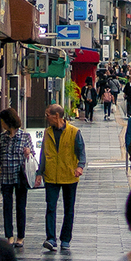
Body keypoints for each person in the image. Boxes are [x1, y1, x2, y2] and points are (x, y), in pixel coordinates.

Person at [40, 103, 85, 252]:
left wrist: (80, 166)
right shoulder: (47, 133)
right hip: (51, 175)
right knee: (50, 207)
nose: (46, 118)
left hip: (69, 175)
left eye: (48, 115)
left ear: (56, 116)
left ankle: (65, 239)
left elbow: (81, 152)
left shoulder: (74, 132)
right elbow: (43, 154)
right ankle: (51, 239)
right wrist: (39, 172)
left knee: (69, 209)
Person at [0, 108, 32, 247]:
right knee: (7, 207)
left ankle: (20, 237)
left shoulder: (25, 136)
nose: (2, 124)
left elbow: (32, 155)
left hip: (20, 176)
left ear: (8, 121)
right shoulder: (2, 137)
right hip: (5, 176)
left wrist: (28, 153)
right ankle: (9, 236)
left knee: (21, 207)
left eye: (3, 121)